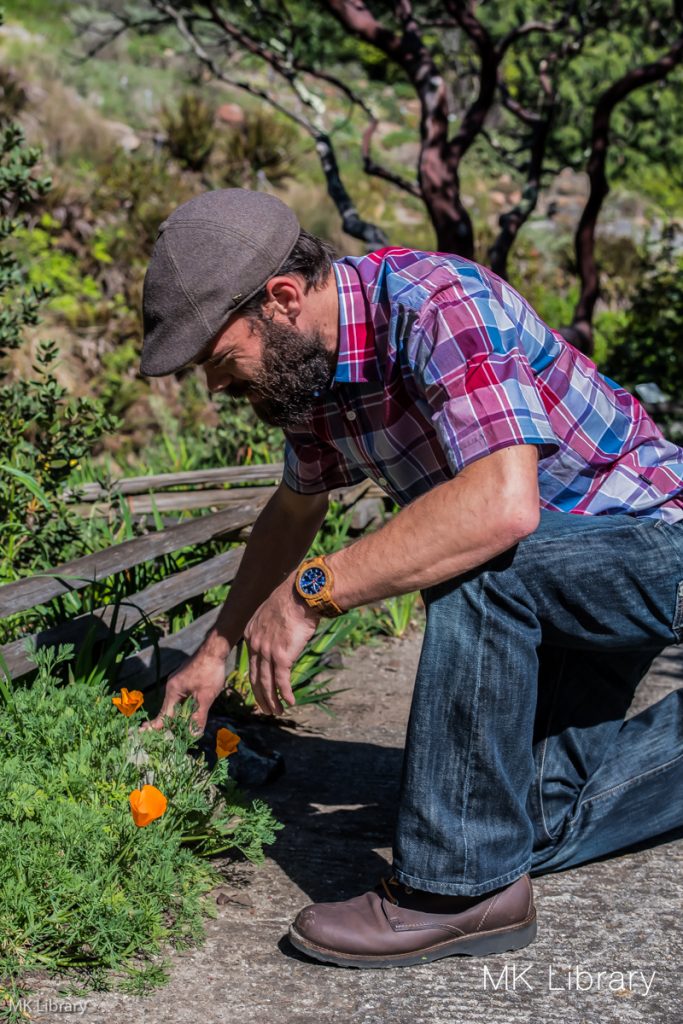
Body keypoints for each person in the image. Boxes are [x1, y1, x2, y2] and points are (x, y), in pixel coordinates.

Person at [139, 188, 683, 969]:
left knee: (477, 552)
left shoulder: (435, 305)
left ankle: (456, 892)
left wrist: (309, 593)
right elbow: (294, 514)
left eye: (220, 361)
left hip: (650, 546)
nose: (217, 388)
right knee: (526, 824)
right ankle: (485, 859)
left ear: (283, 299)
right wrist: (215, 651)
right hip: (552, 592)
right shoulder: (312, 378)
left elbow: (501, 508)